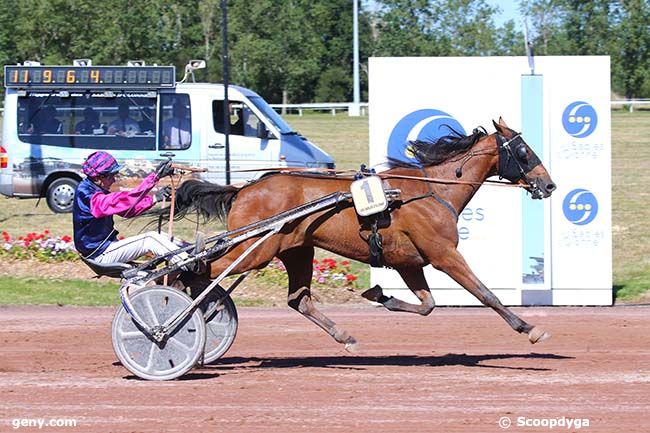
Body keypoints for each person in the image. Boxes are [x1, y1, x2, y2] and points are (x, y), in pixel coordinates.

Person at [72, 151, 194, 270]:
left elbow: (127, 211)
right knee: (150, 239)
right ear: (98, 177)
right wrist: (154, 177)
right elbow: (124, 199)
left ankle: (193, 251)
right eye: (111, 175)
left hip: (106, 248)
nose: (114, 180)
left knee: (162, 236)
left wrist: (155, 198)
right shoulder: (88, 195)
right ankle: (189, 262)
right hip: (100, 254)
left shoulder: (95, 189)